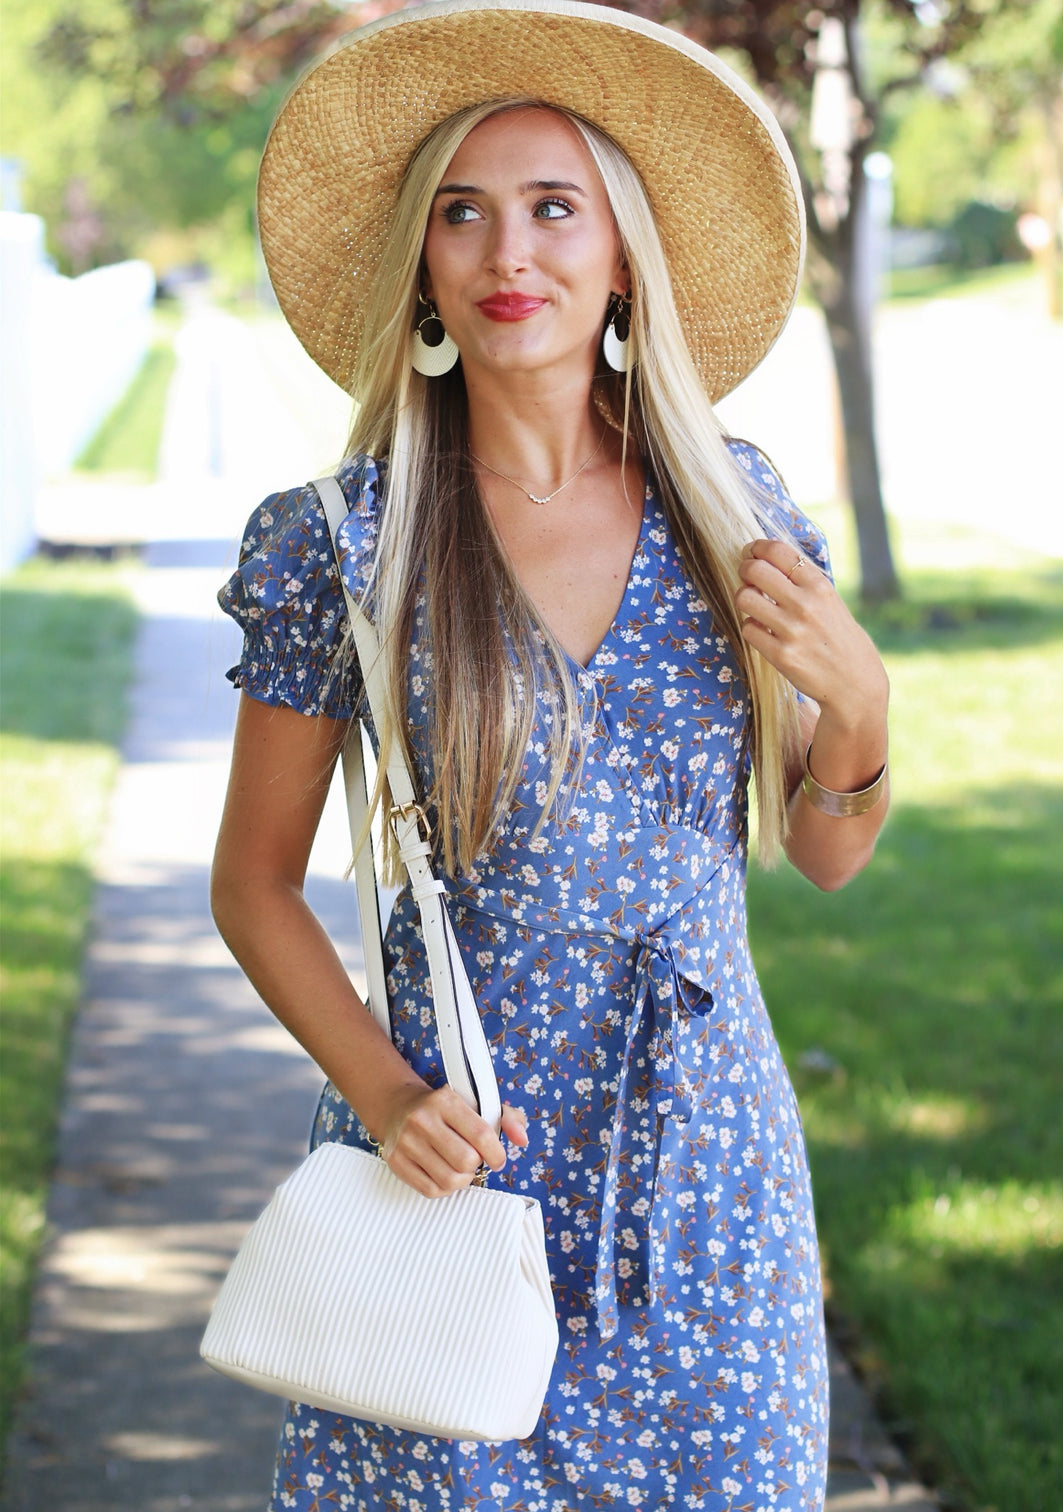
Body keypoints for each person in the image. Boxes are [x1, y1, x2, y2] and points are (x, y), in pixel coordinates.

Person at [211, 2, 890, 1506]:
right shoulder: (345, 544)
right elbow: (255, 884)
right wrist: (385, 1097)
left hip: (710, 1181)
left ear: (621, 254)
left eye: (551, 208)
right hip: (453, 1169)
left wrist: (858, 709)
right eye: (463, 214)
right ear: (428, 271)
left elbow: (827, 850)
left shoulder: (735, 511)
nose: (509, 254)